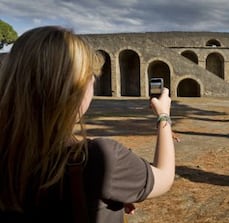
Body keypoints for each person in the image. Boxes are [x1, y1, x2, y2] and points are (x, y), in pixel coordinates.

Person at [0, 26, 175, 223]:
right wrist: (163, 115)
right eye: (92, 77)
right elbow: (165, 176)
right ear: (76, 88)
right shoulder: (100, 159)